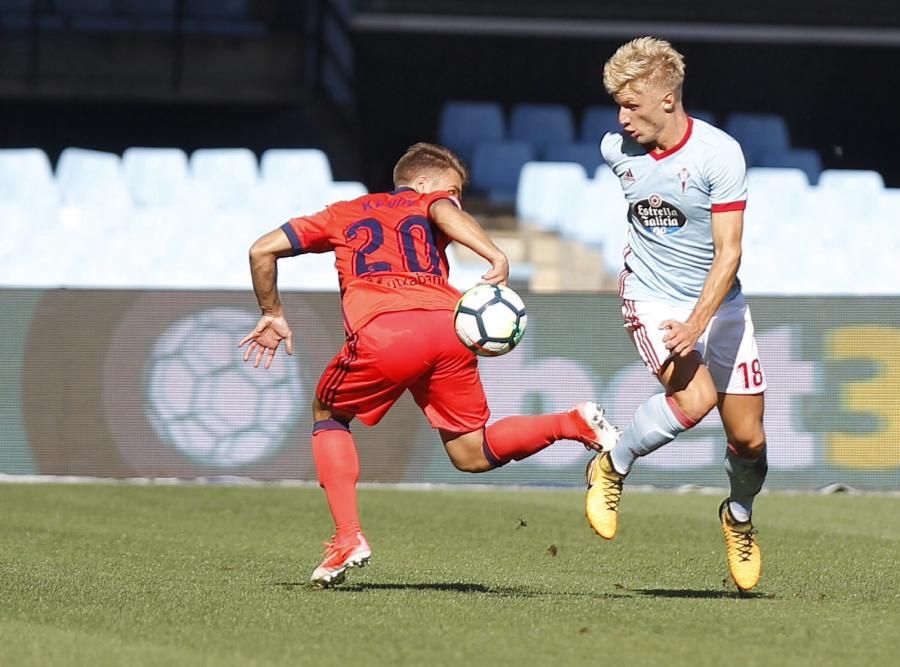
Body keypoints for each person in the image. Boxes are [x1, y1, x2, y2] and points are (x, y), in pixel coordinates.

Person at [239, 142, 620, 588]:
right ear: (420, 183)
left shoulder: (343, 212)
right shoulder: (429, 201)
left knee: (328, 415)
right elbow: (442, 210)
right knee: (470, 453)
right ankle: (573, 422)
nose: (455, 199)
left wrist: (271, 312)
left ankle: (347, 538)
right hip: (451, 327)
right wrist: (492, 253)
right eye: (453, 190)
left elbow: (261, 250)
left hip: (387, 331)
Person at [585, 37, 768, 592]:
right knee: (696, 400)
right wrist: (681, 322)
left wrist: (699, 322)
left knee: (750, 443)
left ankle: (737, 517)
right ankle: (613, 462)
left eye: (631, 103)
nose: (621, 117)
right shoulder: (616, 151)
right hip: (651, 297)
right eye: (617, 103)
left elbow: (729, 252)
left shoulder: (719, 154)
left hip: (717, 304)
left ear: (667, 98)